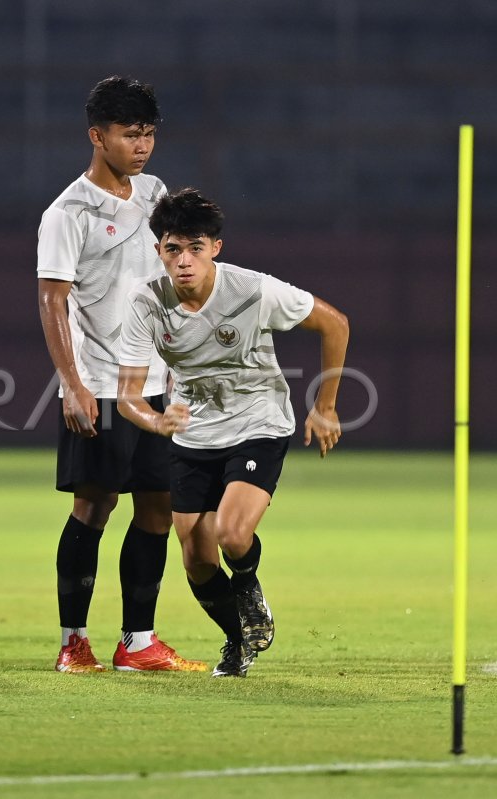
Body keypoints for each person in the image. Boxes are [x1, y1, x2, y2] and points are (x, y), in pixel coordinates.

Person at [116, 188, 349, 677]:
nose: (184, 261)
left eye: (195, 248)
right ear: (158, 250)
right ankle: (236, 641)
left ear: (215, 248)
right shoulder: (145, 302)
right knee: (197, 560)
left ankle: (249, 588)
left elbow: (335, 324)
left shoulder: (252, 291)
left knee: (231, 532)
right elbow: (128, 396)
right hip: (194, 432)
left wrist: (325, 407)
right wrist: (158, 421)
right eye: (172, 248)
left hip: (258, 421)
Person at [37, 76, 206, 673]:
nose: (142, 145)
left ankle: (138, 641)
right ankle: (72, 642)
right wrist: (73, 384)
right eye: (129, 134)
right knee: (94, 507)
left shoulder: (155, 195)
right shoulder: (68, 212)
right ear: (96, 135)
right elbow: (52, 301)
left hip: (155, 387)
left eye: (149, 134)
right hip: (102, 387)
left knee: (157, 507)